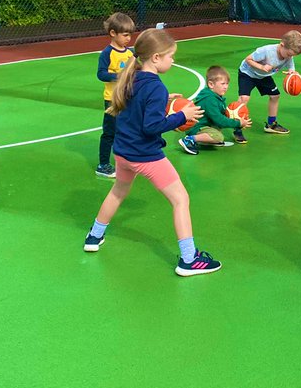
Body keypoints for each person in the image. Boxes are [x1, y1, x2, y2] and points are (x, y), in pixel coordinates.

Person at [82, 28, 221, 277]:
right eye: (170, 56)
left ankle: (94, 236)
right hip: (145, 156)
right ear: (155, 58)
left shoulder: (131, 77)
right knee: (180, 199)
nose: (173, 60)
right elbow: (152, 127)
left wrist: (165, 98)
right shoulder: (154, 86)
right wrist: (181, 115)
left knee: (118, 191)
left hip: (122, 152)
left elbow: (139, 104)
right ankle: (189, 259)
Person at [237, 30, 301, 139]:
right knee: (244, 98)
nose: (289, 57)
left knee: (275, 96)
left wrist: (292, 71)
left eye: (291, 55)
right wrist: (261, 67)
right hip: (248, 73)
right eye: (288, 54)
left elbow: (290, 61)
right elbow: (248, 59)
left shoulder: (288, 55)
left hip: (263, 76)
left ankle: (271, 124)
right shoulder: (266, 51)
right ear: (282, 45)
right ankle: (237, 128)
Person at [95, 12, 136, 179]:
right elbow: (101, 74)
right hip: (112, 99)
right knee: (110, 132)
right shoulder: (107, 53)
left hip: (127, 98)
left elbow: (134, 70)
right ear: (113, 33)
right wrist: (119, 76)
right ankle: (103, 164)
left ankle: (125, 161)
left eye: (130, 35)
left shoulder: (130, 53)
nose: (128, 38)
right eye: (125, 35)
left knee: (126, 130)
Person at [177, 65, 252, 154]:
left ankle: (206, 138)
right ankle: (190, 139)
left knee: (218, 131)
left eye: (227, 83)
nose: (226, 87)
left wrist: (235, 119)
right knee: (218, 137)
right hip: (196, 127)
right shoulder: (210, 99)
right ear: (211, 84)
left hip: (205, 125)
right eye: (222, 84)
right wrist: (238, 123)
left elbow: (221, 116)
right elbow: (219, 120)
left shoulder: (216, 96)